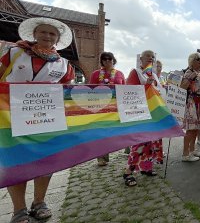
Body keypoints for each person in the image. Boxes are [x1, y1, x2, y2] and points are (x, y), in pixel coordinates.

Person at [0, 17, 75, 223]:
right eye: (43, 32)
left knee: (45, 161)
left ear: (58, 39)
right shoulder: (14, 53)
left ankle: (39, 202)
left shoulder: (64, 64)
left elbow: (68, 92)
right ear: (34, 34)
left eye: (52, 34)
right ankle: (19, 209)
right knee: (16, 162)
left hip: (47, 118)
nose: (47, 36)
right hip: (12, 117)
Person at [122, 50, 164, 187]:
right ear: (141, 59)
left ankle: (147, 167)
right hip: (141, 113)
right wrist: (146, 85)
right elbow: (130, 92)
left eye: (153, 57)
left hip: (154, 113)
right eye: (148, 56)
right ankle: (128, 172)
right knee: (140, 143)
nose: (151, 58)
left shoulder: (154, 75)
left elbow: (159, 91)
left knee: (152, 142)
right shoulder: (135, 72)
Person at [90, 52, 125, 166]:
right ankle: (101, 157)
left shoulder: (119, 74)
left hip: (116, 107)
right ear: (102, 61)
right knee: (100, 132)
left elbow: (124, 90)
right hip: (100, 107)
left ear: (113, 60)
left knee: (115, 131)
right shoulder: (96, 74)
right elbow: (90, 90)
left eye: (109, 59)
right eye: (104, 59)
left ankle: (127, 147)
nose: (107, 61)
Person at [180, 52, 200, 162]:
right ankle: (185, 154)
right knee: (190, 130)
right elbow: (182, 87)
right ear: (191, 61)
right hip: (192, 103)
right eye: (198, 59)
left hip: (199, 103)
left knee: (196, 129)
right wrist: (190, 78)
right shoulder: (188, 72)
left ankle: (192, 150)